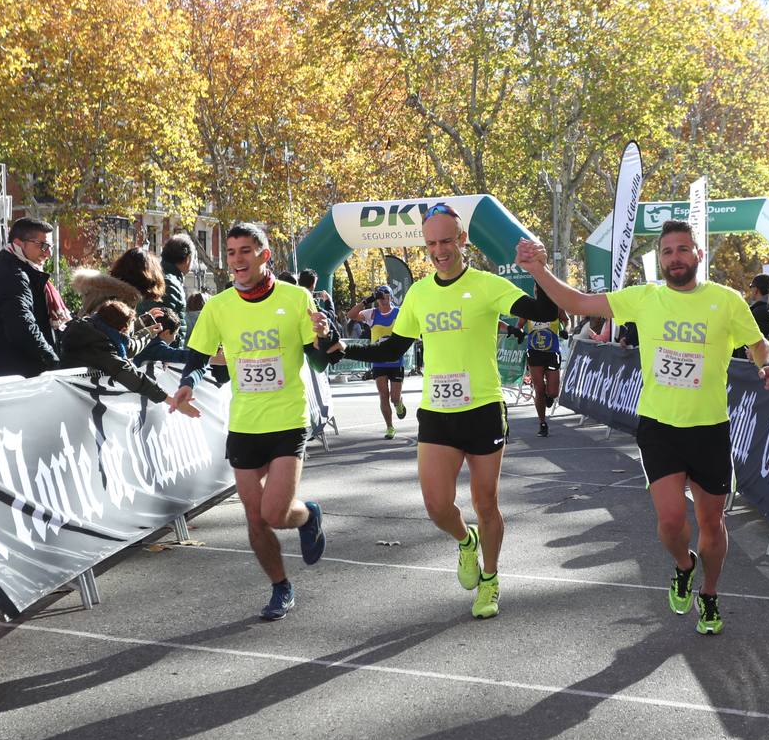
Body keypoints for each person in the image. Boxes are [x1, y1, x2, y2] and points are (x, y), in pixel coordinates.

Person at [517, 220, 769, 637]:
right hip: (659, 427)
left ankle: (710, 595)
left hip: (709, 427)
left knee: (712, 524)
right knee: (671, 520)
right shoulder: (644, 298)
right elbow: (579, 301)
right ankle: (683, 565)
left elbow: (758, 342)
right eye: (666, 252)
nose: (674, 258)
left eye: (682, 249)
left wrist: (768, 365)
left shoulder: (727, 300)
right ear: (660, 260)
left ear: (698, 254)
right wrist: (537, 270)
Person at [339, 203, 558, 620]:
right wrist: (343, 349)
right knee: (437, 506)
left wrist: (539, 270)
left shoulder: (488, 285)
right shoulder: (419, 293)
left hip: (482, 409)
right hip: (437, 412)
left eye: (446, 241)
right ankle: (466, 542)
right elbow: (392, 348)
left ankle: (490, 579)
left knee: (486, 503)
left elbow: (545, 314)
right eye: (432, 243)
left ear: (462, 241)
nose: (439, 250)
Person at [169, 223, 338, 622]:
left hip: (287, 419)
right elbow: (197, 356)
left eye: (245, 251)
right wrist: (186, 385)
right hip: (244, 422)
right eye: (231, 252)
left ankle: (307, 514)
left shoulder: (297, 298)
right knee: (254, 516)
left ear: (264, 255)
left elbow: (319, 360)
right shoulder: (219, 305)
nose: (237, 260)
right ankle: (281, 586)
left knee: (275, 514)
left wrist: (322, 336)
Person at [62, 301, 199, 411]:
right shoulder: (103, 347)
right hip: (73, 404)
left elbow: (128, 346)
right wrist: (170, 399)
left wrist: (146, 328)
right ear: (122, 330)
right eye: (129, 329)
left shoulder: (95, 328)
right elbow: (131, 375)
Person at [0, 217, 60, 379]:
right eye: (42, 245)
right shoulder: (14, 275)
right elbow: (22, 326)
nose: (48, 253)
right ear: (18, 243)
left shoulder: (0, 270)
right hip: (11, 379)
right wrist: (52, 360)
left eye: (50, 247)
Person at [347, 285, 408, 439]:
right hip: (378, 361)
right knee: (383, 395)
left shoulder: (398, 313)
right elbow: (351, 314)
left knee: (394, 397)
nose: (383, 297)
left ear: (391, 297)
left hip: (395, 361)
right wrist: (368, 300)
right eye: (380, 295)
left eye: (386, 294)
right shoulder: (372, 314)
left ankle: (399, 403)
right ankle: (390, 427)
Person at [514, 311, 567, 437]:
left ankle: (549, 396)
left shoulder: (556, 307)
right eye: (537, 291)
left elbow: (566, 321)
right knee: (539, 389)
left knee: (553, 392)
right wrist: (519, 332)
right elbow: (519, 325)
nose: (538, 293)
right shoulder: (529, 307)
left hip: (552, 352)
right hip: (534, 352)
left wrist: (564, 329)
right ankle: (542, 423)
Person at [159, 234, 194, 342]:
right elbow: (168, 327)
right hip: (165, 355)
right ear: (188, 258)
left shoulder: (158, 276)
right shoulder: (170, 284)